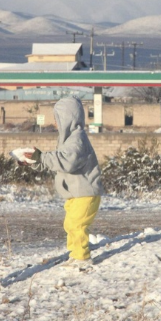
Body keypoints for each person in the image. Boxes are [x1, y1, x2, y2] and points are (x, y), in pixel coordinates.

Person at [21, 96, 103, 269]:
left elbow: (67, 161)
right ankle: (74, 254)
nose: (55, 123)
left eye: (58, 118)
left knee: (77, 224)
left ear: (68, 118)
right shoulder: (67, 139)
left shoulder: (77, 139)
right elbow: (57, 161)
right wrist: (35, 161)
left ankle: (82, 258)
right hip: (74, 193)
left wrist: (42, 157)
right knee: (70, 224)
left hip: (86, 193)